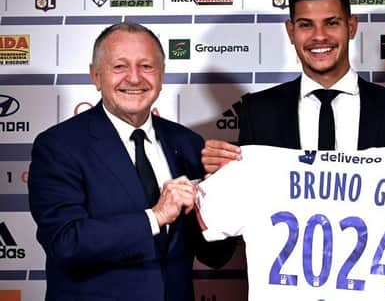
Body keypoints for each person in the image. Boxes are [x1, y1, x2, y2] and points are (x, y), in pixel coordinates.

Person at [28, 23, 234, 301]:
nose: (135, 78)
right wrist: (156, 216)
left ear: (161, 75)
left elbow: (214, 255)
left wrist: (225, 192)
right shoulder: (58, 146)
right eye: (119, 67)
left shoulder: (188, 143)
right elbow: (65, 242)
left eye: (147, 66)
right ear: (96, 76)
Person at [201, 0, 385, 171]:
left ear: (351, 27)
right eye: (306, 25)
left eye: (331, 23)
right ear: (291, 32)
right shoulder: (257, 111)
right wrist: (223, 173)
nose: (319, 36)